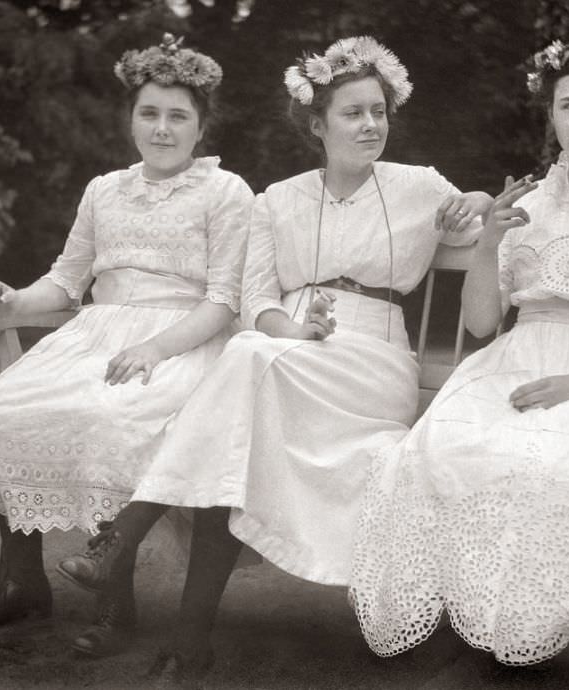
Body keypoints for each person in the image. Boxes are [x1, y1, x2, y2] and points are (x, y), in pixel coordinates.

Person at [56, 36, 492, 674]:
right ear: (317, 125)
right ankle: (189, 638)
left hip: (371, 357)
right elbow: (256, 299)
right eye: (353, 114)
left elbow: (482, 223)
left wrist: (477, 200)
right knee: (234, 439)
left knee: (243, 366)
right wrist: (292, 331)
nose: (371, 125)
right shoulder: (277, 199)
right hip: (286, 347)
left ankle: (123, 537)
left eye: (379, 112)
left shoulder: (418, 186)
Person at [349, 35, 569, 666]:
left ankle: (521, 632)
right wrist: (488, 241)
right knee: (437, 450)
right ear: (552, 114)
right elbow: (485, 324)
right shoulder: (531, 201)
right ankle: (468, 618)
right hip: (518, 356)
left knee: (546, 466)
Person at [0, 34, 254, 655]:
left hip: (183, 340)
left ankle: (117, 606)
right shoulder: (105, 189)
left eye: (178, 117)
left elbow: (223, 300)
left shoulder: (226, 193)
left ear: (201, 127)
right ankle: (22, 581)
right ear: (130, 119)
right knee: (3, 406)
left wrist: (157, 349)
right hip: (97, 333)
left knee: (110, 418)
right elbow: (66, 280)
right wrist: (15, 302)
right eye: (149, 113)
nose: (162, 129)